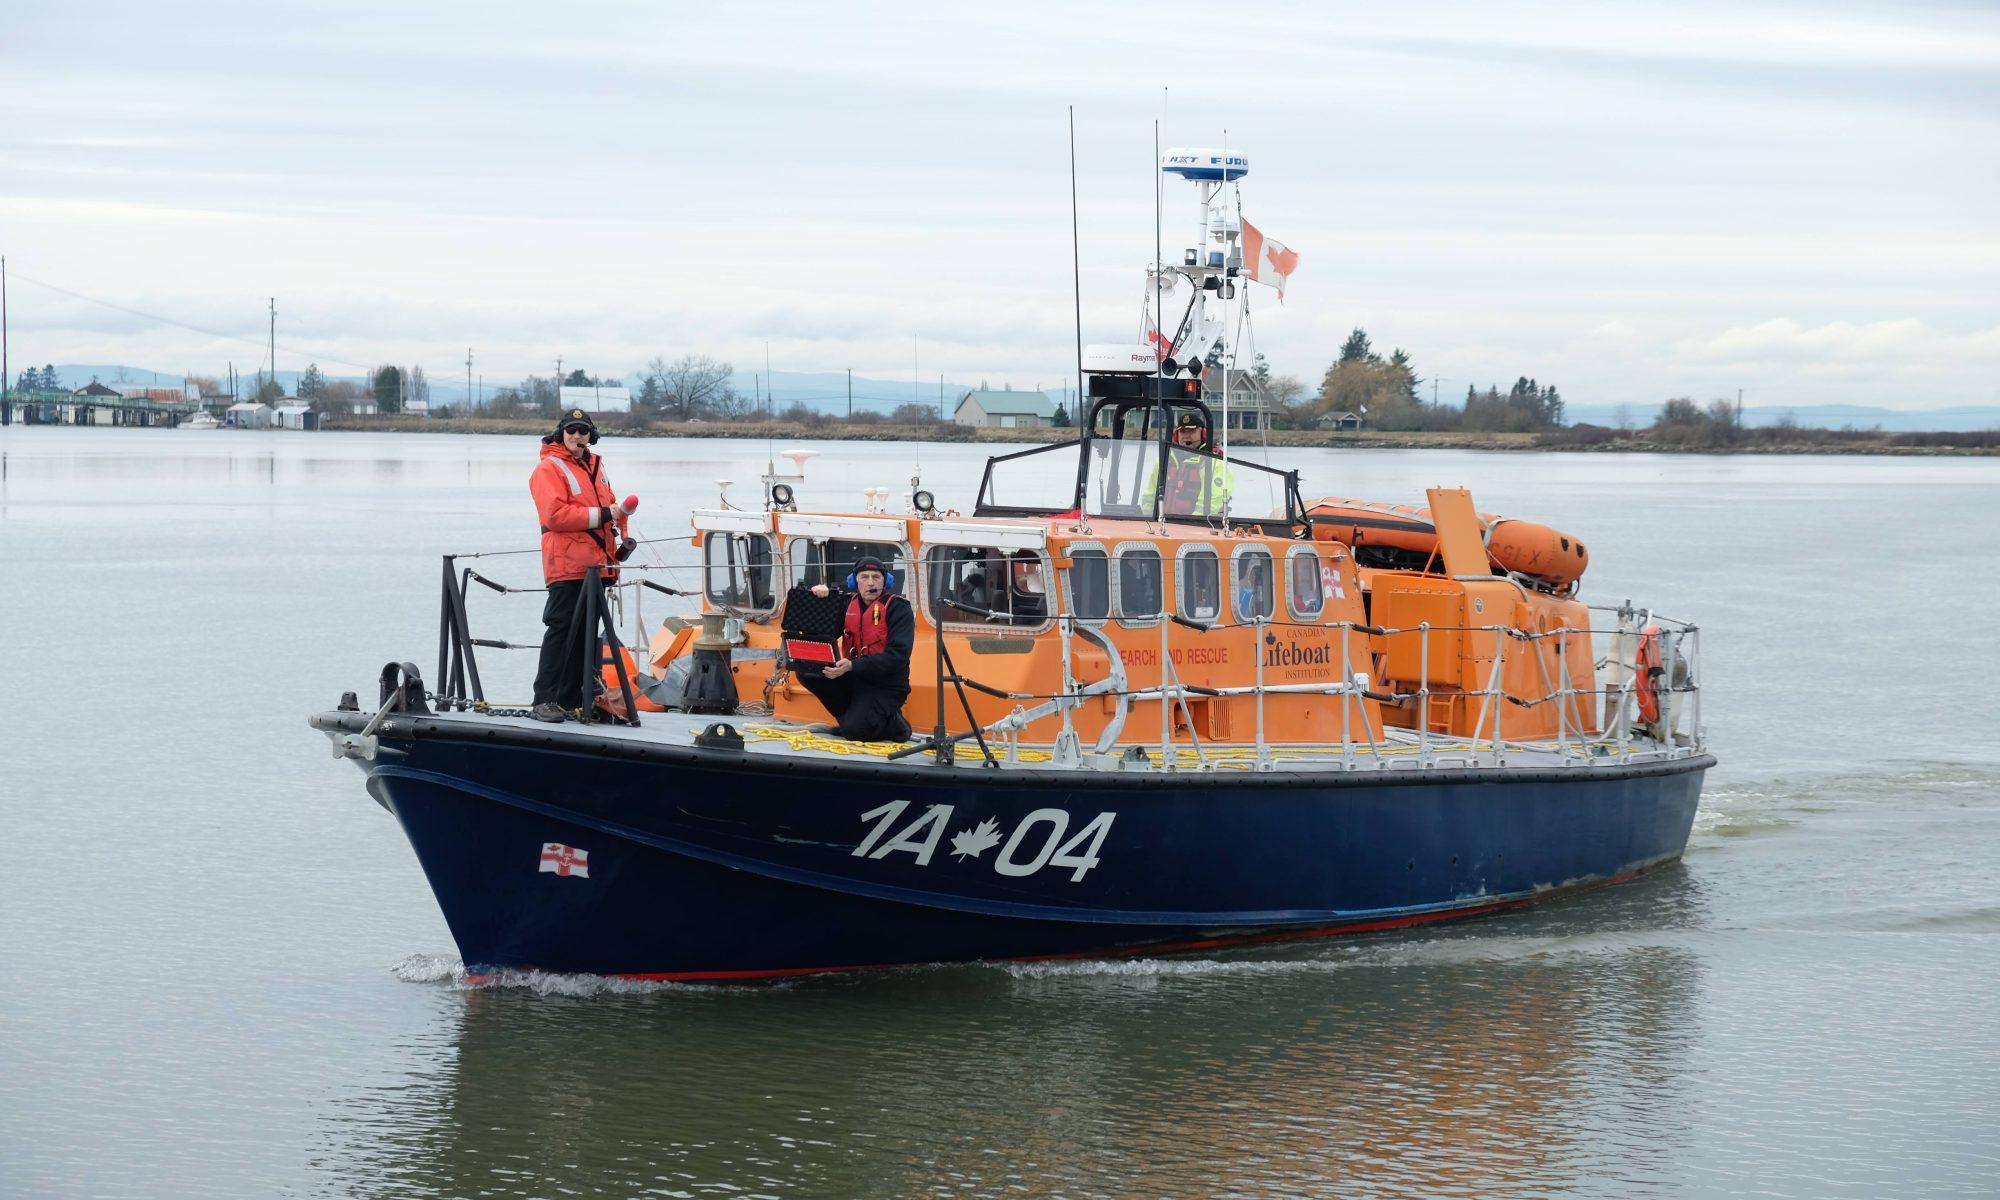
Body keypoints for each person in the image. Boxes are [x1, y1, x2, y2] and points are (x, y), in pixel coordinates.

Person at [528, 409, 636, 723]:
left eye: (583, 431)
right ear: (561, 433)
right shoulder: (549, 468)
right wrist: (605, 514)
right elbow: (554, 516)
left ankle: (575, 700)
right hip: (567, 564)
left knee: (587, 636)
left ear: (591, 435)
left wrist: (621, 536)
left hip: (597, 565)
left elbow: (615, 508)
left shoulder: (597, 466)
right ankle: (543, 700)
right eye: (572, 430)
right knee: (561, 630)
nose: (577, 436)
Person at [799, 556, 914, 741]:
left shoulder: (899, 608)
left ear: (885, 581)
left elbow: (898, 657)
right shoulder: (847, 604)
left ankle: (893, 724)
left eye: (876, 577)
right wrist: (818, 599)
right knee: (807, 672)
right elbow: (821, 633)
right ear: (855, 581)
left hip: (886, 684)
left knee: (855, 731)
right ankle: (853, 721)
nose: (870, 583)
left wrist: (853, 665)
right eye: (864, 577)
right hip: (854, 676)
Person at [1144, 412, 1234, 517]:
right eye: (1182, 431)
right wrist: (1147, 518)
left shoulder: (1214, 463)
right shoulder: (1164, 460)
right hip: (1161, 523)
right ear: (1176, 435)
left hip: (1197, 524)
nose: (1186, 436)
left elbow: (1214, 500)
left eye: (1192, 431)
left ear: (1203, 434)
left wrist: (1194, 521)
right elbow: (1150, 495)